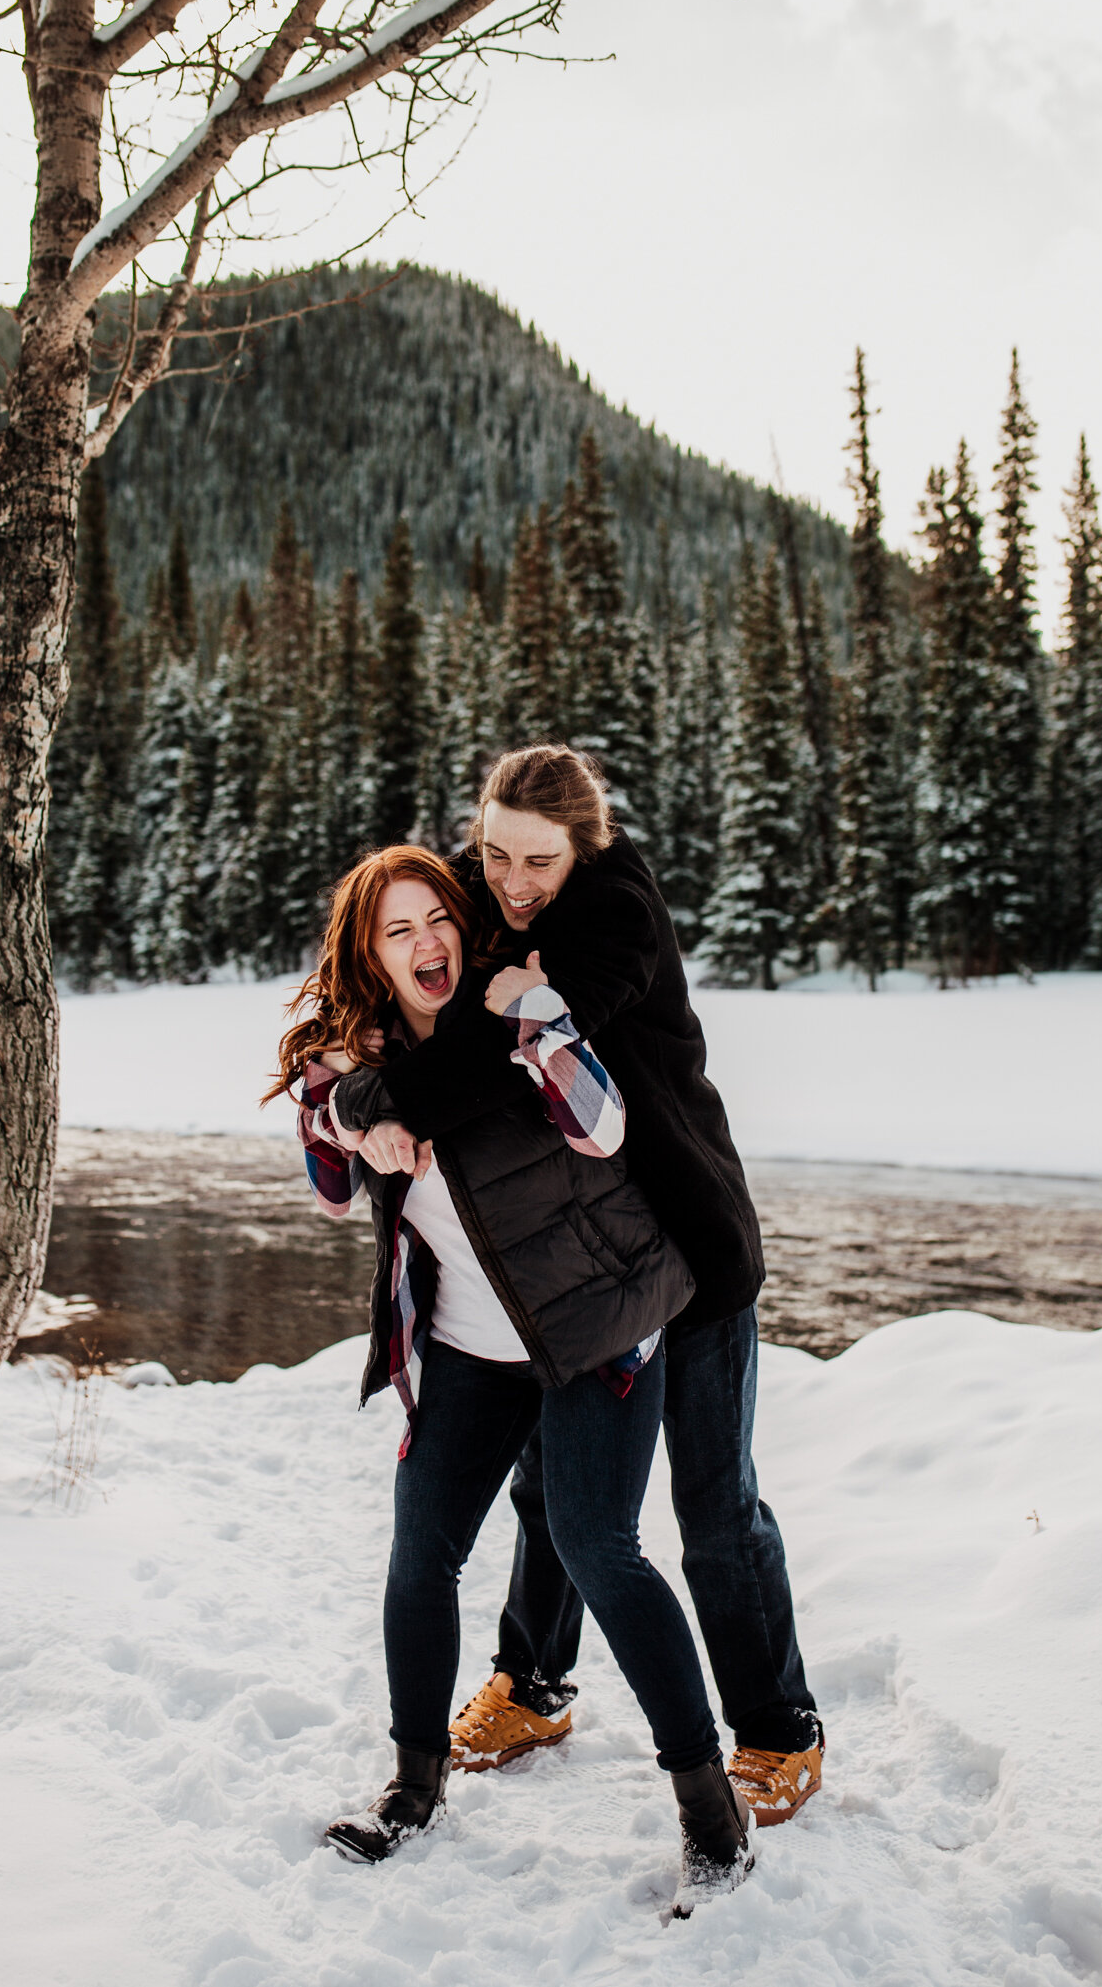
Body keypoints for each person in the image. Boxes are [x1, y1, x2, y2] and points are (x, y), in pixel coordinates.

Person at [331, 748, 823, 1829]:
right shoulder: (490, 886)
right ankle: (534, 1685)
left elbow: (504, 1051)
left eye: (536, 861)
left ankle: (777, 1731)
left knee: (712, 1508)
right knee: (550, 1491)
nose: (509, 880)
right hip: (573, 1265)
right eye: (493, 852)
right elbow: (425, 962)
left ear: (584, 845)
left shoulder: (613, 916)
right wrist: (360, 1077)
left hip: (688, 1255)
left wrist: (386, 1094)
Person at [267, 843, 753, 1915]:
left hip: (595, 1327)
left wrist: (539, 1025)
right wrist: (350, 1112)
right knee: (421, 1549)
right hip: (470, 1349)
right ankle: (412, 1785)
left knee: (599, 1545)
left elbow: (604, 1124)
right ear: (368, 951)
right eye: (395, 931)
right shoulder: (354, 1053)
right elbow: (332, 1189)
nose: (424, 942)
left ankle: (712, 1816)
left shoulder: (516, 1012)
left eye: (435, 917)